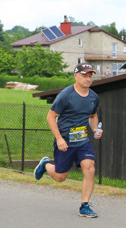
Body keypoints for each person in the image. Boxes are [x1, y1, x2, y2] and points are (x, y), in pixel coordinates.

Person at [33, 63, 103, 218]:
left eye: (90, 75)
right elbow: (50, 116)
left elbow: (92, 116)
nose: (88, 78)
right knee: (60, 177)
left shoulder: (93, 97)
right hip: (65, 141)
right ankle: (45, 165)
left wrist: (95, 130)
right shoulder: (66, 95)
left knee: (90, 169)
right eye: (84, 75)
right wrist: (59, 139)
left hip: (83, 141)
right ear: (76, 76)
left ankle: (84, 206)